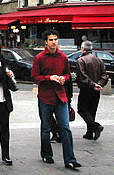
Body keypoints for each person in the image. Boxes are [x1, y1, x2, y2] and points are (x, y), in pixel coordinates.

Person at [31, 29, 81, 169]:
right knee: (46, 128)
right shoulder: (40, 58)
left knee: (65, 127)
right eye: (51, 40)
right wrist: (48, 78)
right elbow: (34, 77)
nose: (54, 42)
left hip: (61, 97)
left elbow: (68, 74)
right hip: (45, 97)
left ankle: (70, 159)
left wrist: (63, 78)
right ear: (46, 42)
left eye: (55, 39)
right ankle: (47, 154)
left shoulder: (63, 57)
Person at [76, 40, 108, 141]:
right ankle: (90, 132)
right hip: (96, 90)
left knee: (82, 109)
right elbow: (105, 75)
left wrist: (93, 85)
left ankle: (95, 126)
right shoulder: (99, 60)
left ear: (83, 49)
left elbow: (82, 76)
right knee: (92, 111)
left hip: (86, 89)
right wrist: (99, 84)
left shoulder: (81, 60)